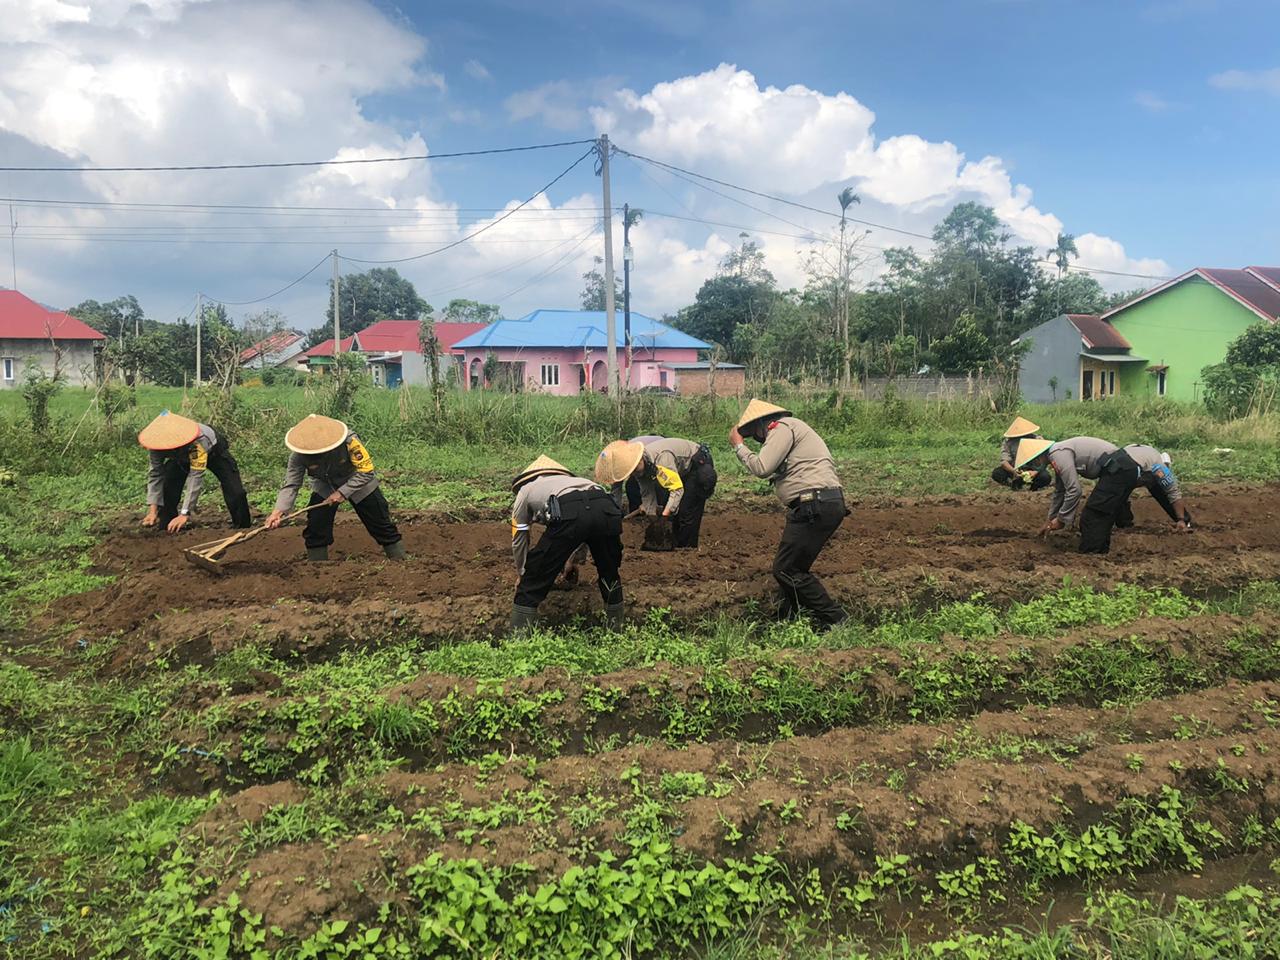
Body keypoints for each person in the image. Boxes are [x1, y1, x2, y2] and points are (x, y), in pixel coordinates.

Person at [729, 399, 847, 629]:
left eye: (755, 434)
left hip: (813, 503)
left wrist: (739, 446)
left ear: (763, 423)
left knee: (786, 569)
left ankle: (836, 619)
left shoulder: (781, 428)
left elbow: (762, 467)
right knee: (794, 569)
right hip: (822, 503)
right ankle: (790, 619)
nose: (759, 440)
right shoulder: (792, 428)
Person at [264, 414, 404, 561]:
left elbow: (366, 471)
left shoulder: (350, 441)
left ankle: (400, 560)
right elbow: (291, 485)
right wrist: (279, 511)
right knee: (316, 525)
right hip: (325, 485)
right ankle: (317, 568)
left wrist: (342, 493)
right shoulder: (298, 456)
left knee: (380, 522)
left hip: (357, 480)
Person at [510, 455, 624, 631]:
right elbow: (587, 521)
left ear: (530, 476)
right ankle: (617, 629)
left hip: (570, 510)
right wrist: (573, 559)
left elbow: (520, 535)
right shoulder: (579, 481)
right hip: (604, 506)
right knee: (609, 571)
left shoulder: (526, 489)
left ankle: (519, 636)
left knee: (533, 577)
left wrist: (523, 573)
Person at [1017, 435, 1151, 554]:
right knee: (1103, 512)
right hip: (1123, 469)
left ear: (1038, 456)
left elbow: (1074, 490)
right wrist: (1050, 520)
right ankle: (1100, 550)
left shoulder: (1058, 454)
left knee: (1092, 515)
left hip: (1118, 469)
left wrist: (1061, 520)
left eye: (1033, 461)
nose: (1035, 465)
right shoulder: (1057, 453)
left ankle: (1092, 553)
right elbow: (1060, 491)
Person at [139, 411, 251, 533]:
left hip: (214, 452)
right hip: (180, 457)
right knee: (168, 486)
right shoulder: (156, 444)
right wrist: (152, 510)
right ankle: (167, 527)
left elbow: (196, 476)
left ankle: (242, 528)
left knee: (235, 491)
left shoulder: (198, 441)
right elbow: (155, 474)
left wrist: (185, 514)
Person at [595, 437, 718, 548]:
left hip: (696, 466)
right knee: (669, 506)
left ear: (640, 460)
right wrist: (653, 518)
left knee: (686, 511)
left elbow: (676, 489)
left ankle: (687, 550)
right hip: (678, 471)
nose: (635, 474)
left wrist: (664, 517)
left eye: (635, 470)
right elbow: (647, 493)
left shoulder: (662, 459)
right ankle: (672, 543)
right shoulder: (640, 469)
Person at [992, 416, 1050, 491]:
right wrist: (1014, 472)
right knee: (997, 473)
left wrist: (1035, 472)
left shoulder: (1038, 440)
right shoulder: (1008, 442)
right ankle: (1013, 485)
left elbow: (1045, 460)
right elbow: (1004, 462)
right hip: (1016, 469)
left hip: (1034, 469)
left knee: (1045, 477)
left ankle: (1033, 488)